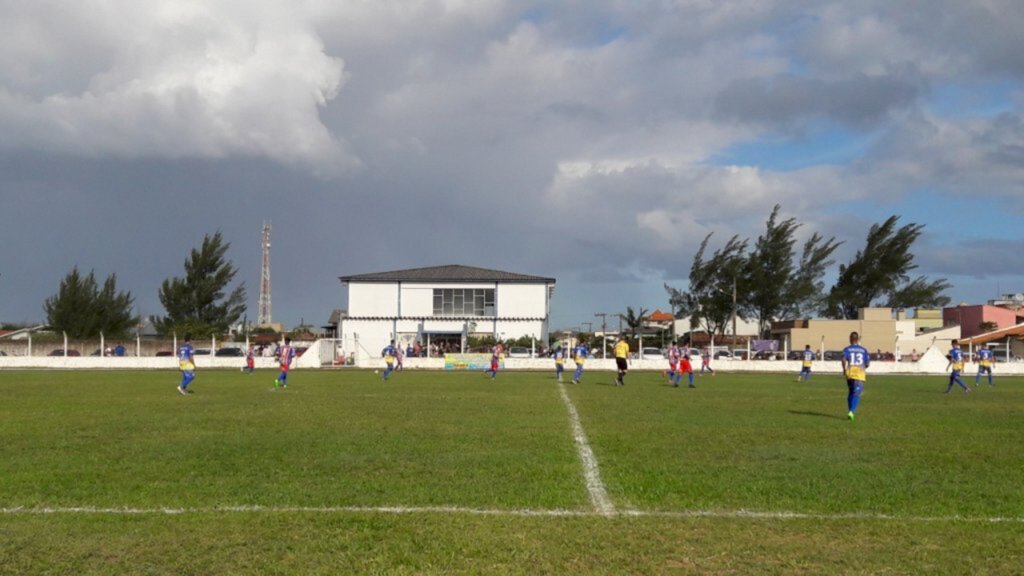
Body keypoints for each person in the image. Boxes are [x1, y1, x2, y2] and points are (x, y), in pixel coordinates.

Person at [841, 331, 870, 421]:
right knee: (856, 394)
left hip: (850, 374)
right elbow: (868, 363)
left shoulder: (847, 349)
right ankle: (852, 412)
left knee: (851, 392)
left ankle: (850, 411)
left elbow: (843, 359)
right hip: (859, 375)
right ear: (857, 339)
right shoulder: (864, 350)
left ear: (850, 339)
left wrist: (844, 369)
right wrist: (863, 367)